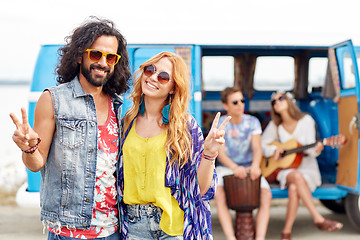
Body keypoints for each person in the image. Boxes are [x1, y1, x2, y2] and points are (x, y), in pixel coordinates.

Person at [9, 17, 131, 240]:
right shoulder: (53, 99)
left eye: (110, 57)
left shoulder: (117, 104)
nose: (103, 62)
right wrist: (28, 148)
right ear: (78, 55)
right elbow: (37, 164)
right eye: (96, 54)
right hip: (68, 232)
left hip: (113, 229)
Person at [117, 51, 231, 240]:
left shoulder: (185, 126)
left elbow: (201, 190)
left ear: (172, 88)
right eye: (150, 70)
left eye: (163, 77)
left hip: (174, 227)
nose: (153, 77)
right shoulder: (126, 122)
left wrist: (209, 153)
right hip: (134, 225)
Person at [261, 92, 343, 240]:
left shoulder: (306, 120)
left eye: (280, 98)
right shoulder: (275, 125)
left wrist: (316, 149)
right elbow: (262, 145)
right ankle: (318, 219)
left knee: (294, 187)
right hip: (285, 170)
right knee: (295, 176)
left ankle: (286, 232)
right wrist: (275, 150)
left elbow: (310, 149)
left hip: (306, 168)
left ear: (289, 101)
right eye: (273, 102)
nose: (276, 102)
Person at [214, 86, 272, 240]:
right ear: (226, 106)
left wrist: (255, 166)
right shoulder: (221, 123)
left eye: (242, 100)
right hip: (226, 168)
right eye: (235, 102)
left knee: (266, 195)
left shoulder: (253, 121)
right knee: (218, 195)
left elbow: (257, 149)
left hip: (249, 165)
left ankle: (260, 238)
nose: (240, 104)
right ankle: (230, 237)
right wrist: (235, 168)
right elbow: (221, 155)